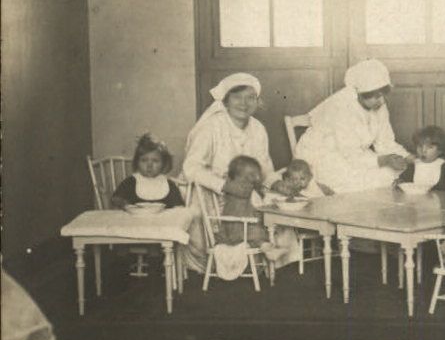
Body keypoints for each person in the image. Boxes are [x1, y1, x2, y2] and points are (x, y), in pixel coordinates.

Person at [182, 73, 296, 271]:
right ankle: (225, 261)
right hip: (210, 189)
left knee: (276, 207)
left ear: (257, 102)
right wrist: (225, 185)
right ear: (225, 100)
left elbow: (265, 168)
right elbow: (190, 168)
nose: (244, 103)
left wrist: (276, 184)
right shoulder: (211, 127)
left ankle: (264, 257)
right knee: (202, 219)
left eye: (250, 97)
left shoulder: (258, 129)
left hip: (246, 191)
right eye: (237, 97)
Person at [295, 59, 411, 193]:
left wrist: (407, 157)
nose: (382, 101)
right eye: (376, 97)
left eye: (383, 96)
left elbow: (385, 141)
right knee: (356, 181)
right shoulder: (341, 106)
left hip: (355, 155)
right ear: (360, 92)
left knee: (386, 174)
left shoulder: (379, 105)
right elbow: (349, 152)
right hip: (323, 155)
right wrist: (384, 160)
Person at [111, 133, 185, 209]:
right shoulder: (131, 182)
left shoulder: (169, 185)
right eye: (144, 160)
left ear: (164, 163)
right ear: (137, 162)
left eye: (155, 161)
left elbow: (179, 207)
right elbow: (116, 199)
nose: (149, 165)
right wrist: (123, 204)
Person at [396, 126, 445, 192]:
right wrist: (399, 182)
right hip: (416, 201)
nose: (423, 151)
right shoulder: (413, 167)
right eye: (420, 146)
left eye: (429, 147)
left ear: (440, 150)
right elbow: (403, 181)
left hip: (438, 201)